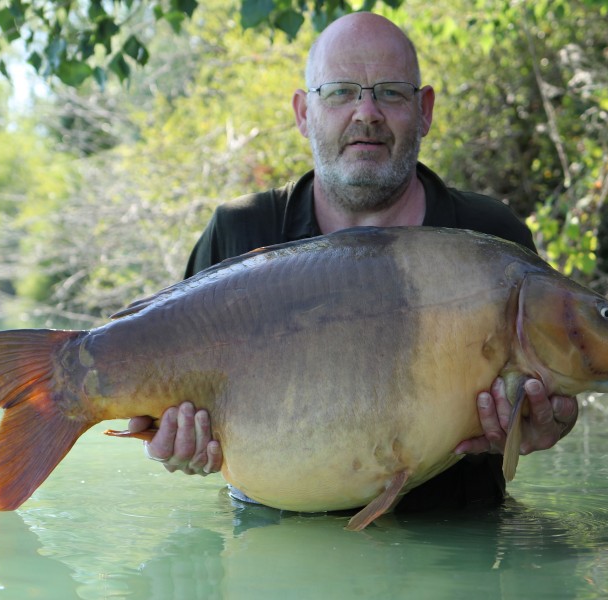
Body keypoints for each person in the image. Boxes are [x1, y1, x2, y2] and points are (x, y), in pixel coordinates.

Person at [127, 12, 578, 511]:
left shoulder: (493, 240)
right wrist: (171, 445)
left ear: (424, 110)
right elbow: (157, 405)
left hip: (459, 548)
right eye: (340, 92)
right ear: (302, 113)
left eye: (390, 92)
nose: (366, 112)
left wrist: (547, 421)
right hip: (271, 549)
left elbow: (556, 388)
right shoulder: (240, 232)